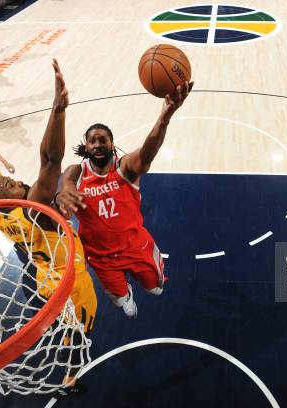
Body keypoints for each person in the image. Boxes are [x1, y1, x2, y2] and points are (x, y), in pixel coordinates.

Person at [0, 60, 97, 396]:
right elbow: (50, 159)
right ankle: (68, 379)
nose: (15, 179)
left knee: (64, 326)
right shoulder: (34, 212)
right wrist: (58, 110)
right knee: (78, 335)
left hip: (46, 279)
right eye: (8, 184)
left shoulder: (1, 217)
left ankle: (65, 345)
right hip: (70, 283)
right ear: (8, 200)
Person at [56, 80, 192, 318]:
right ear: (86, 146)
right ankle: (125, 292)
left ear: (111, 143)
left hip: (135, 246)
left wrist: (165, 117)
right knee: (120, 302)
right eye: (93, 141)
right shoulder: (76, 173)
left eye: (103, 140)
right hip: (100, 256)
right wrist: (64, 191)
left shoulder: (125, 167)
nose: (98, 144)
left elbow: (148, 151)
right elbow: (66, 182)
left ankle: (142, 278)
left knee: (157, 290)